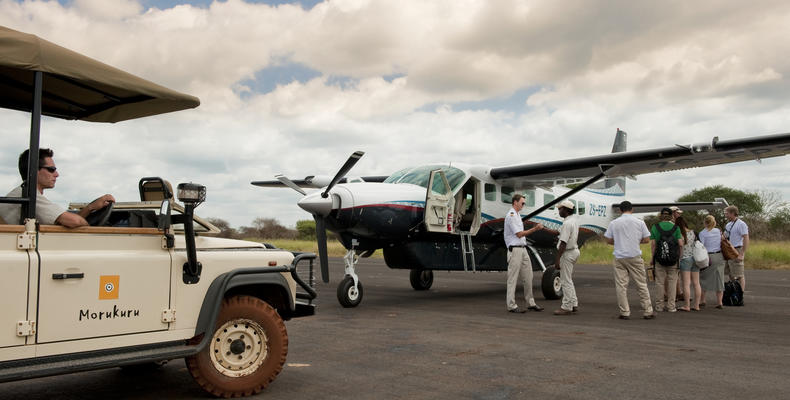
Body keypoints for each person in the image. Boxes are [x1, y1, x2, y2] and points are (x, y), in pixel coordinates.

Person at [0, 148, 115, 228]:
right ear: (35, 171)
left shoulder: (25, 192)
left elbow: (63, 220)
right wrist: (89, 230)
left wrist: (90, 208)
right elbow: (74, 221)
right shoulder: (29, 195)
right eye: (51, 169)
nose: (56, 174)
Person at [603, 201, 656, 320]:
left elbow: (609, 240)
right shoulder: (639, 222)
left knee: (621, 286)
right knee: (641, 284)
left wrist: (620, 241)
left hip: (620, 257)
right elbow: (647, 239)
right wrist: (636, 241)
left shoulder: (614, 223)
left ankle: (624, 311)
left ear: (620, 210)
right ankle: (648, 310)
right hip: (634, 256)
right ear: (632, 209)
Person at [504, 194, 544, 313]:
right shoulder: (511, 215)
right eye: (522, 203)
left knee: (528, 276)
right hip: (515, 249)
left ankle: (530, 302)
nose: (523, 205)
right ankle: (511, 305)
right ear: (515, 202)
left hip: (522, 248)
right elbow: (519, 234)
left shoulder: (517, 215)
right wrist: (535, 229)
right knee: (513, 278)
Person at [649, 208, 684, 312]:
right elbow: (681, 244)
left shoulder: (655, 227)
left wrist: (652, 257)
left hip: (659, 259)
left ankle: (659, 306)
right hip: (673, 259)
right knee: (672, 282)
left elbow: (654, 244)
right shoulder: (676, 228)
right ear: (671, 216)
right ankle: (671, 306)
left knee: (659, 282)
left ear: (661, 215)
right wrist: (679, 256)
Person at [551, 200, 580, 316]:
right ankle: (574, 303)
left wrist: (557, 259)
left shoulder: (567, 224)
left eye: (560, 209)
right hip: (574, 251)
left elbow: (563, 242)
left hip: (567, 253)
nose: (559, 211)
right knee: (568, 279)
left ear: (566, 210)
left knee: (565, 281)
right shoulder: (573, 221)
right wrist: (542, 229)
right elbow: (558, 233)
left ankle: (566, 307)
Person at [698, 215, 725, 309]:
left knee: (703, 278)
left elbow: (702, 246)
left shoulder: (702, 233)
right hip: (718, 256)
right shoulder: (718, 231)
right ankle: (719, 302)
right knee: (719, 279)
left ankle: (702, 300)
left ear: (705, 222)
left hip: (708, 257)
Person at [676, 216, 701, 311]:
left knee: (686, 284)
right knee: (696, 283)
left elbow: (680, 246)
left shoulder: (680, 234)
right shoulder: (693, 232)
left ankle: (687, 305)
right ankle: (696, 305)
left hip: (685, 259)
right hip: (695, 258)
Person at [724, 205, 749, 292]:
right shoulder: (728, 224)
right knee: (731, 273)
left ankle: (740, 294)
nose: (725, 215)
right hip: (729, 250)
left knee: (739, 274)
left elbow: (746, 238)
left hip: (737, 249)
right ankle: (733, 290)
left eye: (727, 213)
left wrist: (741, 254)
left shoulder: (741, 224)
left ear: (732, 213)